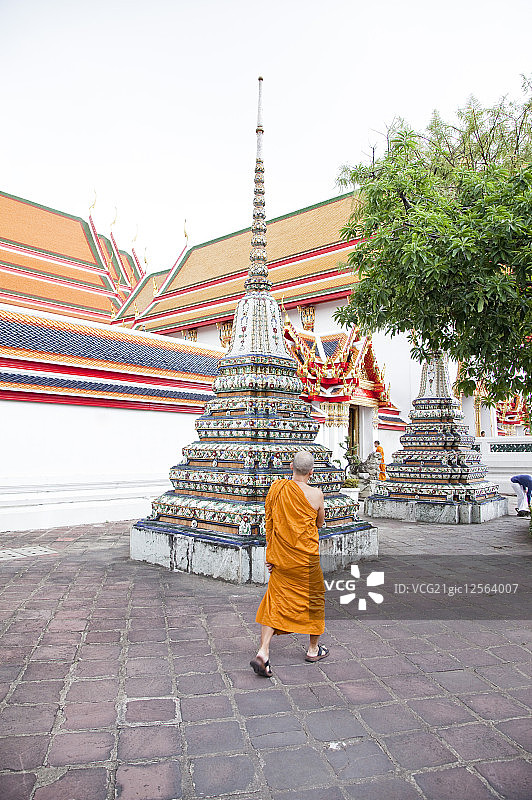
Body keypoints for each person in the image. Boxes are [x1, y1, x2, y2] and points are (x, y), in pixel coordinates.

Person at [250, 451, 328, 678]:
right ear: (312, 472)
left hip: (282, 559)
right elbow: (320, 522)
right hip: (306, 560)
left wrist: (271, 554)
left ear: (290, 466)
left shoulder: (277, 488)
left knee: (274, 600)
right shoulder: (316, 494)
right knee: (314, 600)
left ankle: (263, 652)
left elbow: (270, 522)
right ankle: (313, 649)